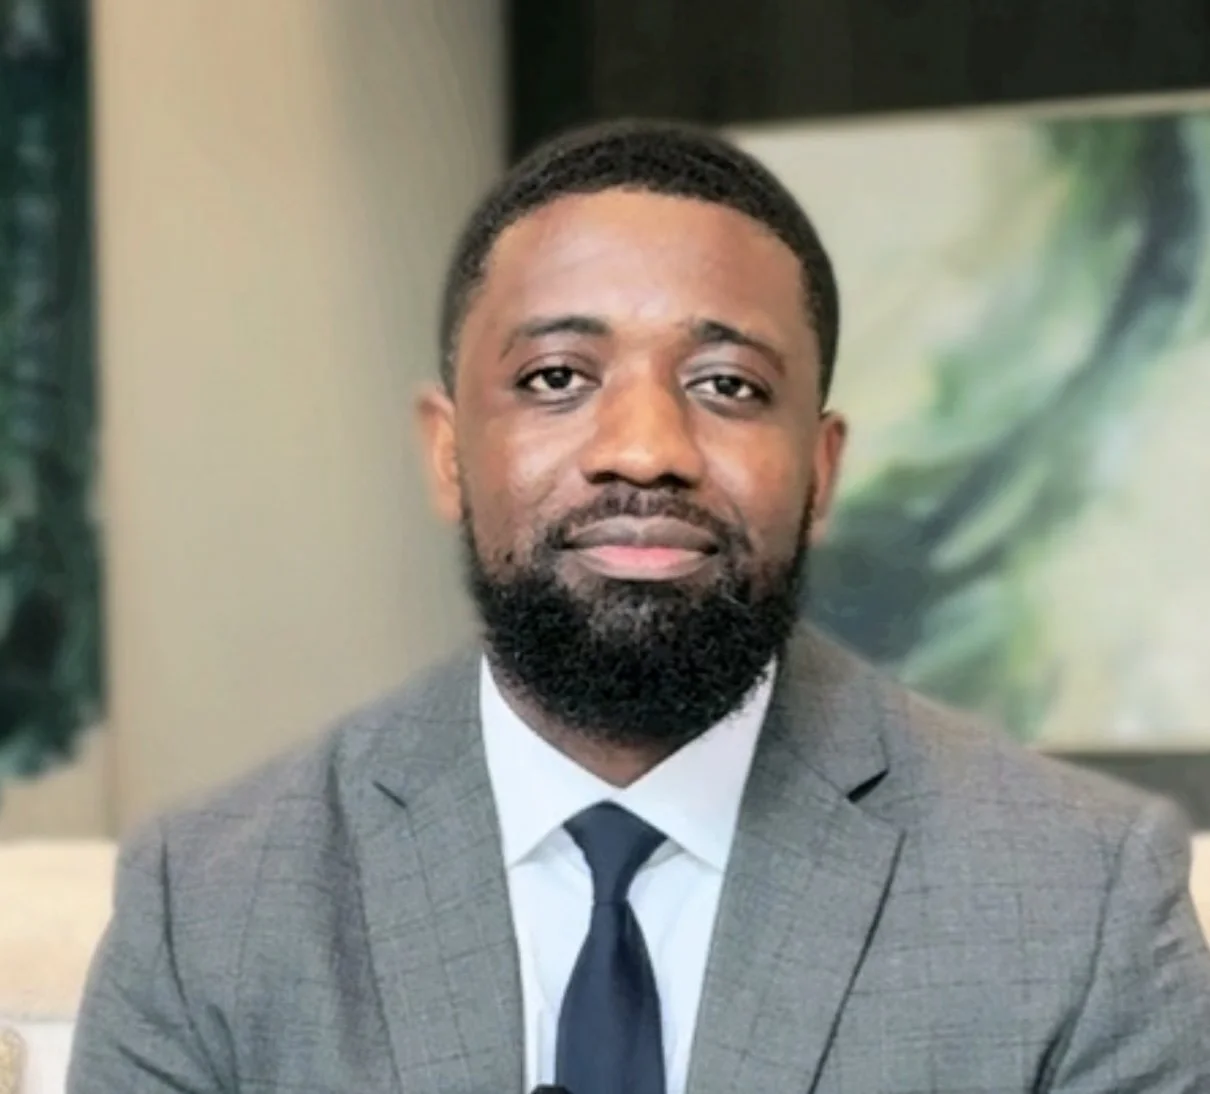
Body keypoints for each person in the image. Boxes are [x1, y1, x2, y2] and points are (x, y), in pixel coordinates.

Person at [67, 120, 1210, 1094]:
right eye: (557, 377)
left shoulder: (1081, 901)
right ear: (447, 452)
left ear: (820, 471)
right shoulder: (206, 909)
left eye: (727, 386)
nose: (646, 450)